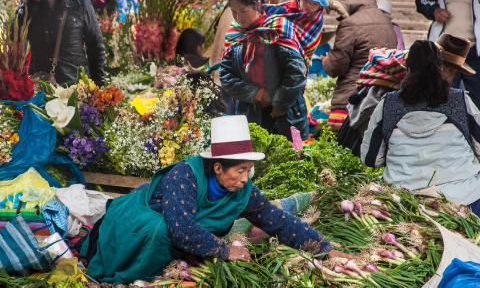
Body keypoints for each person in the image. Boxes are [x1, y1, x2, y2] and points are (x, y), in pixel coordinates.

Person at [83, 115, 343, 283]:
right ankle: (137, 273)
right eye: (239, 171)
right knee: (163, 231)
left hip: (173, 230)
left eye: (248, 171)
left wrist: (325, 248)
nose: (245, 179)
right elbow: (181, 229)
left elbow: (278, 221)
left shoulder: (243, 189)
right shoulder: (185, 175)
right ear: (218, 168)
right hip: (136, 221)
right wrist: (225, 250)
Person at [361, 38, 480, 215]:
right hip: (464, 200)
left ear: (407, 70)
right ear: (441, 69)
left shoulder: (388, 105)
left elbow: (371, 159)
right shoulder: (461, 101)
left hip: (404, 201)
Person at [220, 0, 325, 140]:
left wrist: (279, 104)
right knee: (255, 161)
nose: (238, 17)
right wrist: (257, 93)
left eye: (243, 11)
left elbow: (296, 72)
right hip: (251, 113)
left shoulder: (278, 27)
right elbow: (226, 76)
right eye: (234, 12)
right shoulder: (235, 34)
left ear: (257, 5)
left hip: (287, 114)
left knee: (292, 158)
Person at [322, 0, 397, 131]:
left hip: (352, 99)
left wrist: (326, 60)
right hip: (381, 97)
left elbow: (336, 67)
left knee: (344, 151)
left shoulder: (350, 24)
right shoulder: (385, 21)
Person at [16, 0, 105, 85]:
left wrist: (99, 85)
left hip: (73, 87)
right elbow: (16, 43)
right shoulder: (28, 5)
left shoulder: (80, 4)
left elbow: (95, 46)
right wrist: (28, 6)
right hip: (39, 87)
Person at [416, 0, 480, 109]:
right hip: (445, 50)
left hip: (476, 50)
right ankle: (444, 127)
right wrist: (434, 11)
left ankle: (475, 129)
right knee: (440, 96)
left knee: (477, 100)